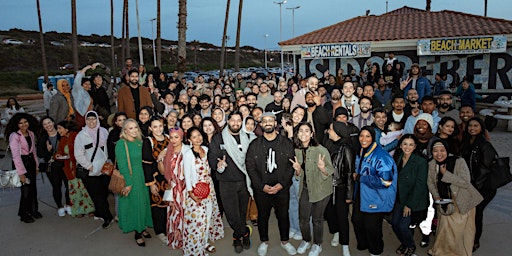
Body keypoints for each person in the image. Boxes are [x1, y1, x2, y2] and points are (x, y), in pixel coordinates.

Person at [246, 112, 297, 256]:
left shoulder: (286, 143)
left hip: (282, 188)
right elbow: (250, 167)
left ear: (275, 124)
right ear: (260, 124)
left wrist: (282, 184)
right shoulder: (254, 145)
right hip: (262, 188)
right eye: (264, 121)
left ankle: (285, 241)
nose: (268, 123)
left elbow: (290, 166)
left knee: (283, 215)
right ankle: (264, 241)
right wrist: (261, 186)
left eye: (270, 120)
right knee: (263, 216)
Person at [208, 112, 256, 253]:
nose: (235, 123)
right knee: (231, 214)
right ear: (228, 121)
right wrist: (219, 166)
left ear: (242, 122)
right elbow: (212, 158)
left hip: (244, 181)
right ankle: (244, 231)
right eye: (233, 120)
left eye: (238, 120)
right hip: (226, 182)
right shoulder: (219, 138)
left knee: (241, 212)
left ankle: (237, 237)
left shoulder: (248, 137)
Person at [427, 139, 483, 256]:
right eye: (435, 151)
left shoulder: (459, 161)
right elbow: (430, 182)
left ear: (447, 150)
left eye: (442, 150)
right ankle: (441, 252)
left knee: (461, 232)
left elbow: (466, 182)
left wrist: (446, 174)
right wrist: (436, 196)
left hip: (463, 201)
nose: (439, 154)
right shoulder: (432, 164)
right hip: (444, 201)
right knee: (444, 230)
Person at [352, 126, 397, 256]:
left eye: (367, 136)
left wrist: (362, 178)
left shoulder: (382, 156)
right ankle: (364, 243)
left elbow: (386, 182)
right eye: (361, 135)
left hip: (377, 196)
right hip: (362, 193)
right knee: (357, 220)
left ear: (373, 138)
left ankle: (375, 251)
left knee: (372, 227)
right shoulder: (361, 151)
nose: (363, 139)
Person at [290, 122, 334, 256]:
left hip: (321, 190)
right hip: (305, 188)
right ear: (297, 134)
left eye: (307, 131)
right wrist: (297, 171)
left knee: (317, 219)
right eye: (301, 131)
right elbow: (299, 175)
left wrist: (322, 168)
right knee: (303, 218)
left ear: (312, 134)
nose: (303, 133)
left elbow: (330, 170)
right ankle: (306, 240)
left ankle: (317, 244)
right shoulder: (297, 150)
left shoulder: (321, 149)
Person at [182, 127, 224, 255]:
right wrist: (191, 193)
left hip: (209, 189)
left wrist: (220, 166)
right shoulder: (188, 154)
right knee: (197, 221)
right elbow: (187, 176)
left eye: (199, 135)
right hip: (196, 191)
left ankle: (204, 242)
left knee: (208, 217)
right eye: (194, 137)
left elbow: (212, 168)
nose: (198, 138)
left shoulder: (206, 150)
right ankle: (196, 248)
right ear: (189, 140)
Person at [460, 117, 499, 252]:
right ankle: (470, 236)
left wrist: (474, 188)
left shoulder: (484, 144)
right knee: (473, 213)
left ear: (481, 128)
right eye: (470, 126)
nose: (472, 128)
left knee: (477, 213)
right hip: (472, 185)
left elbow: (484, 169)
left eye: (476, 126)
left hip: (484, 187)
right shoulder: (468, 141)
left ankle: (475, 241)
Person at [116, 118, 153, 246]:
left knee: (143, 203)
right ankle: (137, 232)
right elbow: (122, 165)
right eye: (130, 128)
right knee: (134, 205)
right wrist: (129, 182)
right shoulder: (122, 144)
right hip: (132, 178)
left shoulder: (140, 141)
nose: (134, 130)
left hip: (143, 176)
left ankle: (142, 227)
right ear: (124, 130)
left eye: (135, 127)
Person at [74, 111, 114, 228]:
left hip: (105, 169)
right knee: (97, 195)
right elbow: (79, 155)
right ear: (85, 121)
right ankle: (107, 217)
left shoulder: (104, 132)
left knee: (104, 193)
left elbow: (108, 148)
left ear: (97, 119)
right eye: (89, 119)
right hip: (91, 171)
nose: (91, 122)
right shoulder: (81, 136)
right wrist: (90, 167)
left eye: (93, 119)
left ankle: (100, 212)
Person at [391, 134, 429, 256]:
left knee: (403, 226)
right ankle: (405, 242)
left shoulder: (421, 162)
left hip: (412, 200)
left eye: (411, 144)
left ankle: (410, 245)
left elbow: (420, 186)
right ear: (401, 145)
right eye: (405, 144)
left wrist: (409, 204)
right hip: (399, 198)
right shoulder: (398, 157)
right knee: (394, 223)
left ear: (415, 146)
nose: (407, 147)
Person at [323, 121, 356, 256]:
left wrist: (349, 195)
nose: (327, 131)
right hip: (327, 186)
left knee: (342, 217)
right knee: (330, 213)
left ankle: (345, 244)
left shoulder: (346, 148)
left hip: (340, 187)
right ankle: (335, 232)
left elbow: (349, 173)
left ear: (337, 132)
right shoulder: (328, 143)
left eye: (330, 129)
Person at [55, 120, 95, 217]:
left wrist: (70, 157)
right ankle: (79, 210)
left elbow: (82, 150)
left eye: (60, 128)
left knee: (85, 188)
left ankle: (90, 209)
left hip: (79, 166)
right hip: (69, 169)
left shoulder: (77, 136)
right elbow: (60, 151)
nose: (58, 130)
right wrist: (58, 155)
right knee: (74, 191)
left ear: (67, 129)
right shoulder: (63, 140)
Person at [6, 113, 41, 223]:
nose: (23, 125)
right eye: (20, 123)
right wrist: (21, 173)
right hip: (21, 163)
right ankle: (23, 213)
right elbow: (16, 156)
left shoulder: (30, 133)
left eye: (25, 122)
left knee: (33, 188)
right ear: (16, 124)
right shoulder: (14, 136)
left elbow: (33, 151)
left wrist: (36, 166)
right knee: (25, 190)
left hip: (30, 162)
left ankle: (34, 210)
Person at [142, 115, 170, 245]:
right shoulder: (148, 141)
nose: (158, 129)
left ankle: (169, 229)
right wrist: (151, 184)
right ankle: (160, 231)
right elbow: (147, 164)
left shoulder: (169, 138)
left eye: (160, 125)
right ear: (150, 128)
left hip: (169, 179)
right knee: (158, 206)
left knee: (169, 205)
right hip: (156, 179)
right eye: (155, 126)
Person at [160, 127, 188, 250]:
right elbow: (163, 171)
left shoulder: (187, 151)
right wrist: (160, 159)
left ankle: (187, 239)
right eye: (171, 137)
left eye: (176, 137)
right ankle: (176, 239)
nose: (173, 140)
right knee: (174, 214)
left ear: (181, 137)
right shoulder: (167, 151)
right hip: (173, 188)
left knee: (186, 214)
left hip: (186, 188)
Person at [37, 116, 70, 217]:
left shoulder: (62, 133)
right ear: (43, 127)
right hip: (52, 167)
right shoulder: (43, 138)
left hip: (65, 164)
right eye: (45, 124)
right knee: (56, 186)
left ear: (53, 122)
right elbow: (40, 153)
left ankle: (68, 204)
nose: (48, 125)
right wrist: (48, 150)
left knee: (68, 185)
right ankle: (59, 206)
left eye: (49, 122)